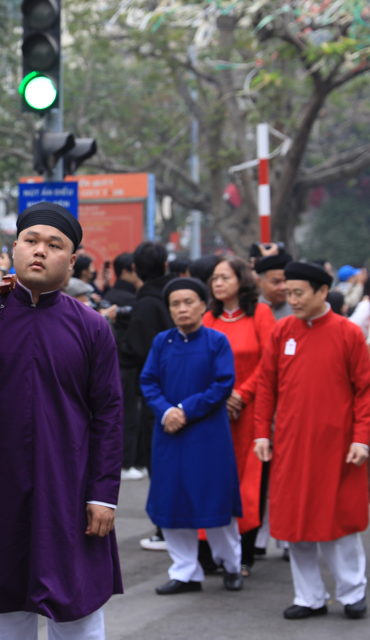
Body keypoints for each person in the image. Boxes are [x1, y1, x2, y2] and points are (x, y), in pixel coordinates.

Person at [0, 202, 123, 640]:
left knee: (76, 615)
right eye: (31, 241)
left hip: (68, 489)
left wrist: (104, 494)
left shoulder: (91, 328)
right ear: (13, 248)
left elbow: (108, 414)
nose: (39, 251)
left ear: (70, 261)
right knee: (0, 615)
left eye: (54, 246)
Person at [253, 261, 369, 621]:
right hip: (290, 446)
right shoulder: (282, 331)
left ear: (322, 291)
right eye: (288, 293)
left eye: (298, 293)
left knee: (338, 523)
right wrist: (261, 433)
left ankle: (353, 592)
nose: (292, 299)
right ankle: (309, 596)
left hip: (338, 448)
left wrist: (362, 439)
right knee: (295, 525)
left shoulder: (348, 333)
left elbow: (365, 391)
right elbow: (265, 386)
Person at [140, 277, 243, 595]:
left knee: (215, 503)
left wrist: (184, 409)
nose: (182, 309)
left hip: (208, 434)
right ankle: (185, 571)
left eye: (189, 302)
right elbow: (148, 381)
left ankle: (231, 565)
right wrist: (166, 411)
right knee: (171, 504)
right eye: (175, 303)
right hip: (169, 433)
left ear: (203, 305)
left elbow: (223, 383)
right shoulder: (162, 342)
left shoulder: (216, 341)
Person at [203, 257, 276, 577]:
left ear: (242, 280)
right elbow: (199, 362)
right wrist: (220, 396)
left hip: (252, 411)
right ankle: (209, 552)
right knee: (212, 479)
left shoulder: (260, 313)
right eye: (214, 278)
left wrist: (242, 394)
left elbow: (269, 361)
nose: (217, 283)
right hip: (215, 413)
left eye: (224, 277)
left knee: (249, 481)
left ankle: (245, 553)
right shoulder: (208, 317)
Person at [122, 241, 176, 550]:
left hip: (154, 395)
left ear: (134, 270)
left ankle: (165, 528)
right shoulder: (170, 297)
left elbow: (136, 350)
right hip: (178, 391)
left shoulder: (147, 304)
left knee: (160, 462)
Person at [103, 254, 144, 481]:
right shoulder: (132, 300)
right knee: (126, 414)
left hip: (112, 363)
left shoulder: (110, 295)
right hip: (126, 364)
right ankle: (125, 463)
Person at [254, 254, 293, 321]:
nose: (284, 287)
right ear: (260, 282)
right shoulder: (252, 309)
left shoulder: (297, 309)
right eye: (276, 282)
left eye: (286, 281)